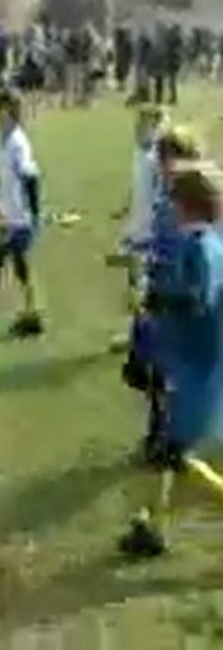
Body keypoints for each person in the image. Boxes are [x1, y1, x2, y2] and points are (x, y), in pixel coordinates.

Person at [119, 164, 223, 559]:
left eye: (173, 199)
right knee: (165, 451)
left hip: (200, 369)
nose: (168, 207)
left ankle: (154, 526)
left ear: (187, 205)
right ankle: (153, 528)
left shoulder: (201, 249)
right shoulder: (207, 243)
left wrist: (155, 299)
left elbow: (197, 299)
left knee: (176, 456)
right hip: (194, 363)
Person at [123, 126, 204, 467]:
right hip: (156, 297)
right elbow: (157, 243)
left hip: (182, 301)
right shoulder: (164, 199)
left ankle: (176, 442)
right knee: (149, 373)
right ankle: (159, 431)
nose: (163, 166)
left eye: (170, 159)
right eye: (161, 159)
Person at [0, 88, 44, 337]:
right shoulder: (2, 141)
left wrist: (34, 214)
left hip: (19, 217)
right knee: (18, 264)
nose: (0, 116)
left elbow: (30, 177)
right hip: (8, 215)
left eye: (5, 111)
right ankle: (32, 313)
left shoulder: (18, 143)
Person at [108, 105, 169, 353]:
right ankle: (138, 333)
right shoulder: (138, 154)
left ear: (155, 130)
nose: (137, 130)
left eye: (143, 126)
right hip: (135, 228)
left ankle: (147, 338)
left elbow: (162, 197)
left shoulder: (157, 160)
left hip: (148, 233)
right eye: (137, 125)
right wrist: (124, 207)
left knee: (142, 287)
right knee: (134, 284)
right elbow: (136, 186)